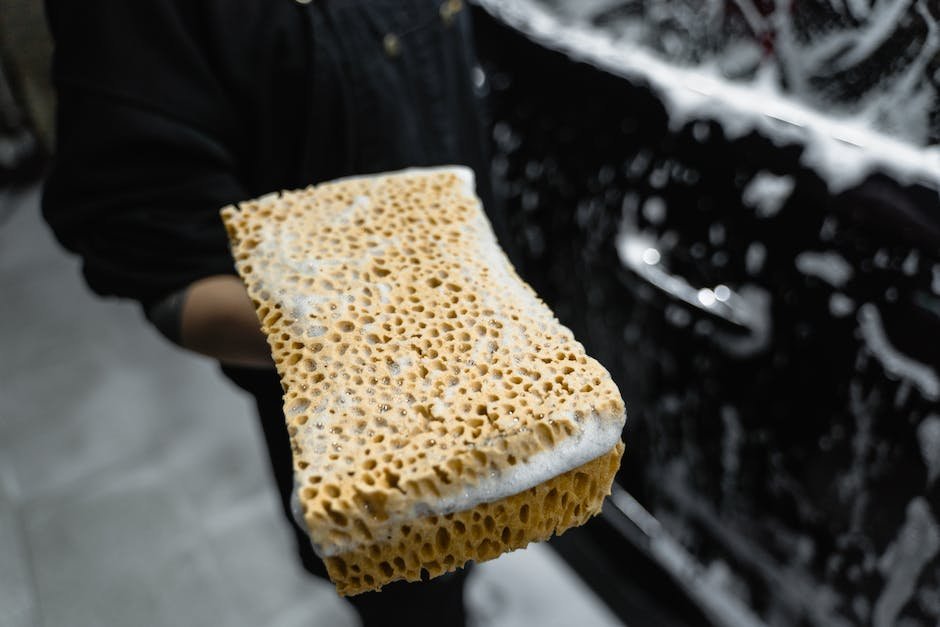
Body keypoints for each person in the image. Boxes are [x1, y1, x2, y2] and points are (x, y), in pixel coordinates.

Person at [42, 1, 509, 624]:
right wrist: (387, 336)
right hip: (352, 406)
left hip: (479, 318)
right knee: (412, 586)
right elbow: (161, 260)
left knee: (477, 533)